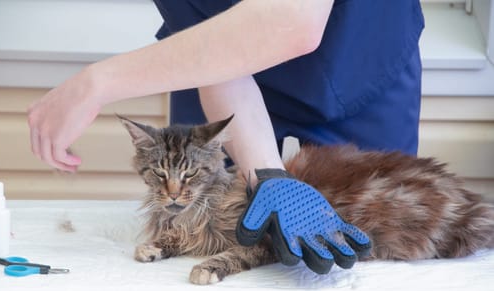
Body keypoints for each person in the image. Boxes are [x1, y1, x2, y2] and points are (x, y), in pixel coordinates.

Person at [27, 0, 424, 274]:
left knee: (367, 256)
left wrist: (98, 82)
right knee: (207, 245)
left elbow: (292, 20)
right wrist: (266, 176)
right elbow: (215, 40)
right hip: (212, 60)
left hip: (354, 60)